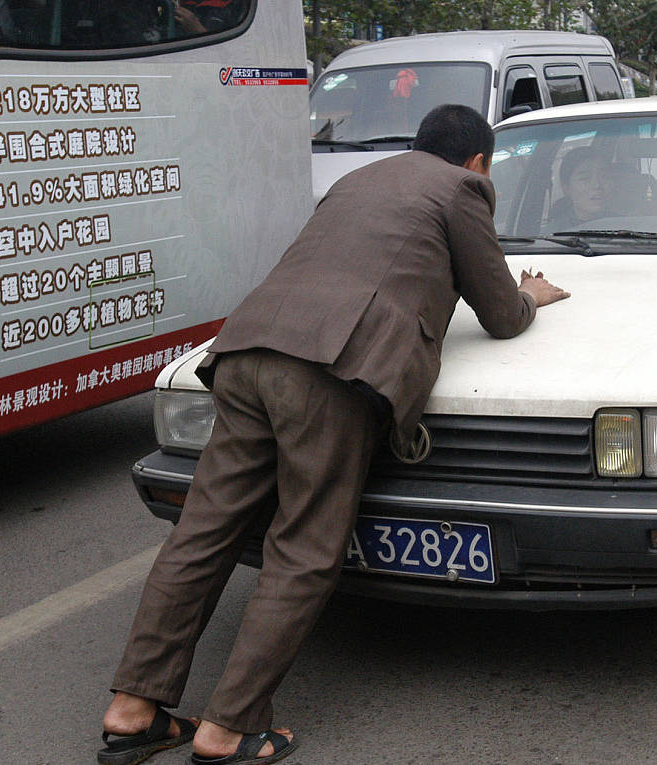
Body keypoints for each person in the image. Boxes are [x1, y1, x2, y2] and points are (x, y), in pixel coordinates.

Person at [98, 104, 570, 765]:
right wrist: (534, 296)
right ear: (478, 162)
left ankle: (132, 709)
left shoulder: (362, 178)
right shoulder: (462, 188)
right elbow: (499, 312)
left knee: (203, 532)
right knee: (305, 548)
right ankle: (229, 727)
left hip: (246, 349)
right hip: (330, 368)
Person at [546, 147, 612, 232]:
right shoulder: (552, 235)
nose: (597, 185)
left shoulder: (626, 224)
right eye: (585, 178)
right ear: (567, 189)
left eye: (604, 176)